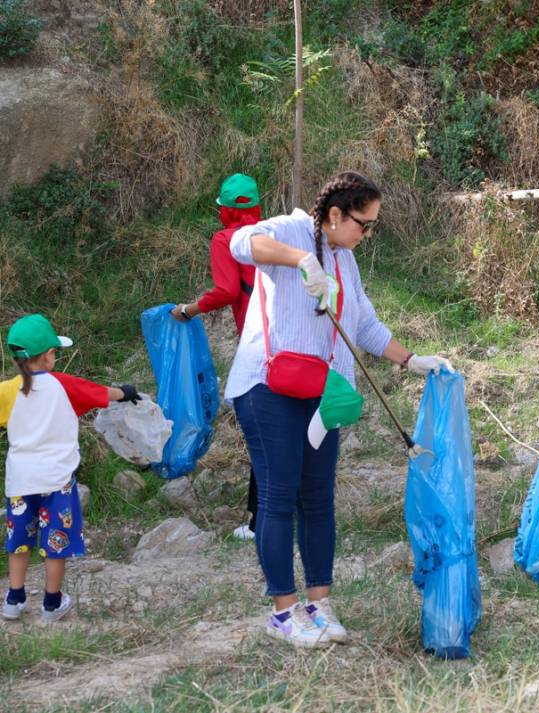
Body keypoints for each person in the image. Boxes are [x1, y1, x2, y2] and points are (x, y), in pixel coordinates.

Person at [226, 171, 453, 648]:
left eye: (372, 227)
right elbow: (241, 242)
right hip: (269, 386)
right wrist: (301, 259)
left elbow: (364, 324)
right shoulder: (291, 230)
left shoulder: (346, 261)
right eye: (362, 224)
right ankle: (283, 612)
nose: (366, 235)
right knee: (278, 496)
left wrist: (412, 360)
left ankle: (318, 605)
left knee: (318, 498)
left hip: (321, 395)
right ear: (334, 214)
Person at [1, 314, 141, 622]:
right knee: (55, 540)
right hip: (57, 479)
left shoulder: (9, 391)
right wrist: (127, 392)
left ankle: (14, 598)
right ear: (49, 355)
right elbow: (103, 394)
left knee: (19, 539)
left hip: (20, 480)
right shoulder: (62, 384)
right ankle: (51, 603)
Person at [172, 172, 262, 541]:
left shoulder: (226, 239)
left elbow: (226, 290)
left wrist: (190, 310)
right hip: (296, 341)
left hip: (259, 345)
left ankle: (260, 519)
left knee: (261, 430)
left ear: (224, 210)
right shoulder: (274, 232)